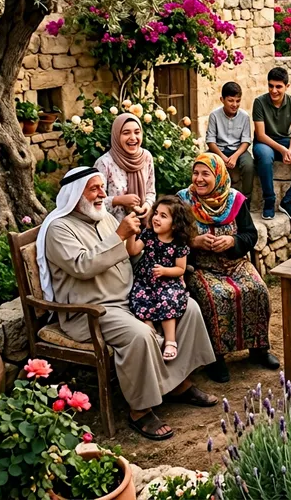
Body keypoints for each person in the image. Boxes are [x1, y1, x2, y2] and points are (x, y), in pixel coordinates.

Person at [37, 167, 217, 442]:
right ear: (74, 195)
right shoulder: (59, 230)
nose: (102, 194)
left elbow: (131, 255)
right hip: (93, 310)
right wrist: (120, 235)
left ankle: (177, 383)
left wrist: (165, 274)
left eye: (101, 187)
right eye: (94, 188)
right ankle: (140, 408)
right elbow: (83, 266)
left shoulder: (104, 218)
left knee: (187, 307)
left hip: (130, 296)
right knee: (140, 334)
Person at [177, 153, 279, 383]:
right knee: (216, 296)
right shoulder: (183, 201)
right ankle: (215, 357)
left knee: (257, 289)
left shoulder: (235, 200)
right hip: (201, 267)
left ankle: (259, 349)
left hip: (235, 263)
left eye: (206, 174)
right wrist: (193, 242)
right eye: (196, 173)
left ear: (219, 176)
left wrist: (233, 241)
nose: (199, 179)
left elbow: (250, 235)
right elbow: (170, 237)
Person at [127, 196, 193, 362]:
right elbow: (133, 250)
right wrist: (131, 234)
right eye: (156, 213)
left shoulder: (179, 243)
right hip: (145, 280)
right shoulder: (149, 234)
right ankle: (152, 333)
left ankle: (170, 341)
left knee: (167, 299)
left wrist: (165, 271)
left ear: (175, 223)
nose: (156, 218)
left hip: (168, 282)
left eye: (163, 216)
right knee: (139, 297)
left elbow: (180, 269)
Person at [252, 67, 291, 222]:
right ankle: (269, 200)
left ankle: (288, 201)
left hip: (286, 141)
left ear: (287, 86)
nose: (274, 90)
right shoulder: (259, 102)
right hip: (264, 142)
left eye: (278, 86)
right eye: (271, 86)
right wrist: (283, 150)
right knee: (265, 157)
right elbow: (260, 134)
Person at [95, 113, 156, 222]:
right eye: (126, 133)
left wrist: (147, 205)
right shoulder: (104, 163)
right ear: (116, 135)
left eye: (137, 132)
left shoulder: (146, 157)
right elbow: (95, 201)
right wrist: (118, 200)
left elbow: (150, 192)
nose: (133, 138)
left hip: (142, 228)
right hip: (115, 229)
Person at [206, 81, 255, 203]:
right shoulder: (214, 115)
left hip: (239, 150)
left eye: (238, 101)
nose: (235, 104)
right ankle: (211, 198)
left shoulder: (244, 116)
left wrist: (235, 156)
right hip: (219, 150)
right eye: (231, 100)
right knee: (205, 162)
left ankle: (245, 200)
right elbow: (210, 141)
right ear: (222, 99)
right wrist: (223, 157)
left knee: (249, 165)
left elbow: (246, 141)